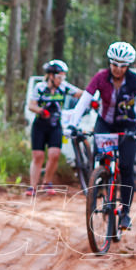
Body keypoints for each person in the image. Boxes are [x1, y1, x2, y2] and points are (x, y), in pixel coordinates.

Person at [67, 41, 136, 231]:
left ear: (128, 66)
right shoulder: (100, 77)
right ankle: (99, 182)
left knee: (125, 166)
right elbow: (84, 100)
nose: (118, 69)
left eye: (123, 66)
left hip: (128, 125)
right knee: (100, 158)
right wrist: (73, 123)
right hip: (105, 123)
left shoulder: (134, 80)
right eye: (115, 65)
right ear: (109, 63)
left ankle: (125, 213)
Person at [26, 59, 83, 196]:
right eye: (59, 76)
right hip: (40, 125)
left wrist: (92, 95)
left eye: (63, 76)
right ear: (51, 76)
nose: (61, 79)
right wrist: (40, 111)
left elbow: (80, 93)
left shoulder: (63, 87)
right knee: (38, 156)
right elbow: (31, 105)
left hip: (55, 125)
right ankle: (33, 186)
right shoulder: (40, 87)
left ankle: (47, 183)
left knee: (54, 154)